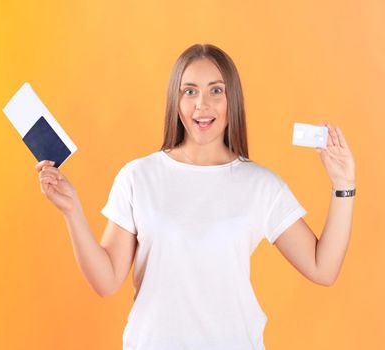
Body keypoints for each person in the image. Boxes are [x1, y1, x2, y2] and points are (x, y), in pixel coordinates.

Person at [35, 43, 356, 350]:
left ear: (234, 100)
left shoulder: (260, 185)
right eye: (189, 91)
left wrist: (343, 184)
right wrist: (72, 210)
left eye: (216, 90)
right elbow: (106, 282)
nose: (202, 104)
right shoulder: (138, 177)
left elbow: (322, 268)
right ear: (176, 102)